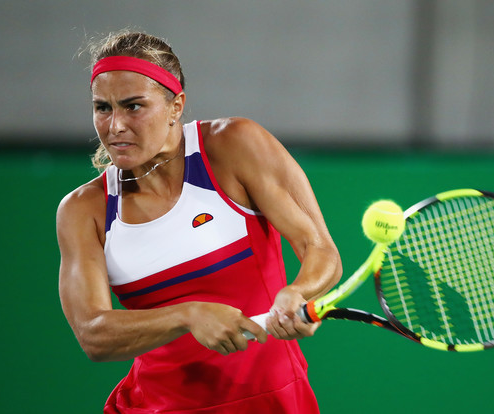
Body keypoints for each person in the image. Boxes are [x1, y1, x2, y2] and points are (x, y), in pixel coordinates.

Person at [57, 30, 342, 413]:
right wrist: (187, 314)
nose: (115, 125)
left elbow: (319, 248)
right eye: (103, 108)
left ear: (176, 106)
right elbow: (94, 335)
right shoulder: (83, 210)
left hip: (273, 401)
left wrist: (299, 292)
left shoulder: (235, 145)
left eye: (133, 106)